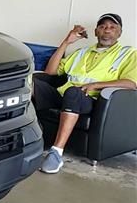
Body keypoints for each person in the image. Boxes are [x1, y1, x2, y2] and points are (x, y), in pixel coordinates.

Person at [33, 13, 137, 173]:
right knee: (31, 83)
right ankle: (25, 137)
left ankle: (56, 153)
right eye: (102, 27)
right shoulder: (82, 52)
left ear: (119, 32)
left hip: (93, 101)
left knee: (73, 93)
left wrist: (96, 85)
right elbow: (50, 72)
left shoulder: (128, 54)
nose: (107, 30)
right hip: (64, 95)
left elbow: (131, 83)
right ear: (96, 32)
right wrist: (66, 42)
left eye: (112, 27)